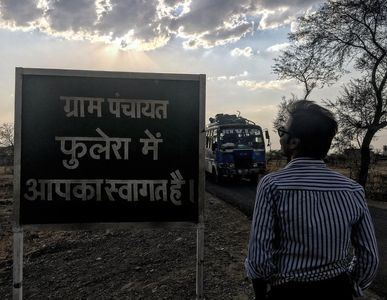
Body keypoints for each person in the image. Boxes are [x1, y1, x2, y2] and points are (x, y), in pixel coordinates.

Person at [245, 100, 379, 300]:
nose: (280, 136)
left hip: (288, 291)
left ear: (294, 142)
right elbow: (369, 257)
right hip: (338, 290)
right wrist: (350, 286)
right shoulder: (352, 189)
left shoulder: (272, 185)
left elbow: (259, 258)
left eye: (283, 131)